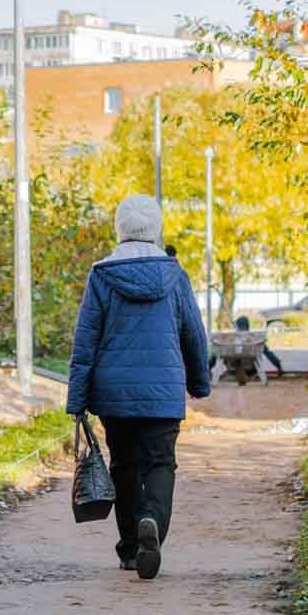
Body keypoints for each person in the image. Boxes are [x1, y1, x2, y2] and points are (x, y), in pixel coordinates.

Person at [67, 194, 210, 580]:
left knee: (125, 465)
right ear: (156, 229)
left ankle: (131, 549)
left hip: (115, 395)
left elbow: (86, 341)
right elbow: (193, 334)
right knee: (161, 462)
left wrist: (77, 399)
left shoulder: (102, 274)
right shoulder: (175, 275)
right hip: (163, 391)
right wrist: (199, 381)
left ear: (119, 229)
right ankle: (153, 523)